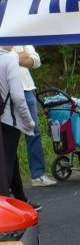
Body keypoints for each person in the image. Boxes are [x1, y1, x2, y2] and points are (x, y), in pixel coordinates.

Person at [15, 45, 55, 187]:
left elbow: (36, 60)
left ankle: (38, 175)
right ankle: (7, 180)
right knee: (7, 136)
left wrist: (14, 56)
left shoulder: (20, 36)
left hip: (27, 89)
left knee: (33, 131)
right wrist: (22, 55)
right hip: (5, 89)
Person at [0, 43, 37, 198]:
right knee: (6, 163)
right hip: (9, 119)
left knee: (11, 158)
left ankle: (21, 198)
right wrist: (29, 122)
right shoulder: (9, 59)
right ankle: (4, 202)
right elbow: (18, 97)